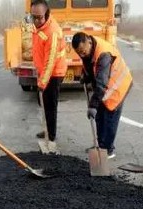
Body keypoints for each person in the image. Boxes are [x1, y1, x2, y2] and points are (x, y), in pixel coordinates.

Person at [72, 32, 133, 159]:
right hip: (106, 86)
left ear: (88, 41)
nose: (82, 55)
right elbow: (90, 64)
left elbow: (101, 83)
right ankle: (100, 146)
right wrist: (86, 75)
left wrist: (93, 105)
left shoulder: (104, 54)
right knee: (100, 116)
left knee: (109, 117)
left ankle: (108, 150)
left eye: (83, 51)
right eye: (79, 53)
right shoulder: (89, 48)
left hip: (117, 87)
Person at [31, 0, 67, 153]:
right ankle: (46, 129)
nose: (37, 21)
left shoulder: (52, 32)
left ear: (47, 14)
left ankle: (51, 140)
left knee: (50, 106)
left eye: (40, 17)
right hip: (44, 71)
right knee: (43, 102)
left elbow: (50, 60)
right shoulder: (38, 26)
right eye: (34, 17)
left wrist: (43, 81)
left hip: (54, 73)